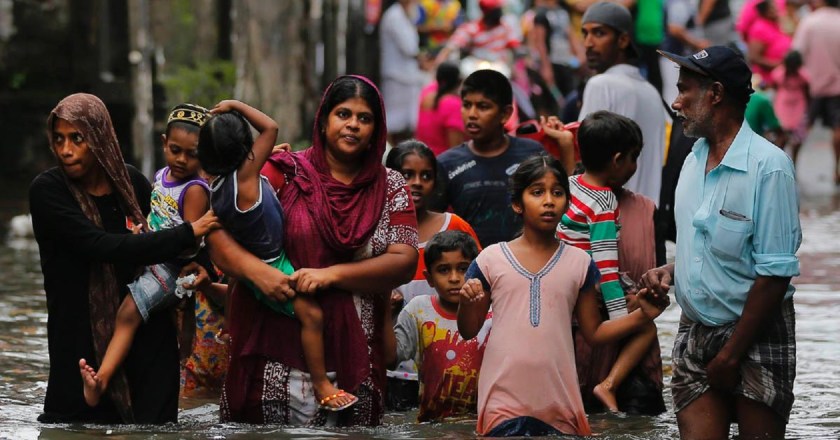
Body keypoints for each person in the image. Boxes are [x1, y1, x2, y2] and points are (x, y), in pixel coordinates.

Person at [208, 75, 418, 426]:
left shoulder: (391, 186)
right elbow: (216, 231)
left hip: (355, 352)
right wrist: (260, 273)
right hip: (271, 349)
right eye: (343, 114)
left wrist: (331, 275)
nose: (353, 125)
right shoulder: (282, 172)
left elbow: (404, 261)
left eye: (364, 118)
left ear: (376, 130)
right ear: (323, 120)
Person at [30, 93, 219, 424]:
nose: (65, 150)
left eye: (78, 139)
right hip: (81, 344)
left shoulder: (130, 182)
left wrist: (200, 265)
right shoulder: (48, 191)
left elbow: (171, 236)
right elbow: (101, 245)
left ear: (100, 138)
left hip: (149, 341)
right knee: (75, 428)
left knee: (155, 430)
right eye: (58, 139)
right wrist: (188, 233)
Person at [457, 155, 668, 436]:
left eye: (557, 193)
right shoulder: (490, 260)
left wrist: (643, 316)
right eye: (537, 192)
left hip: (558, 402)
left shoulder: (580, 263)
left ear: (567, 204)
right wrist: (466, 302)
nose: (548, 200)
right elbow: (468, 329)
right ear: (517, 204)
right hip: (502, 400)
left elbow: (594, 332)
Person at [653, 45, 801, 439]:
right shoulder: (692, 159)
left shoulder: (770, 167)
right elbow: (708, 246)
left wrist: (731, 355)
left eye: (685, 90)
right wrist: (672, 270)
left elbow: (774, 274)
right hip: (695, 328)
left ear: (715, 94)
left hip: (756, 332)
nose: (676, 101)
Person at [201, 100, 361, 411]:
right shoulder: (246, 178)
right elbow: (270, 127)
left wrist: (268, 156)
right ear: (248, 148)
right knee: (312, 315)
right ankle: (321, 384)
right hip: (274, 264)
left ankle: (228, 326)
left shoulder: (218, 186)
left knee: (237, 283)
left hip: (251, 258)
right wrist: (236, 105)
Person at [77, 103, 216, 408]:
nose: (181, 159)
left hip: (171, 268)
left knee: (127, 314)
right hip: (152, 255)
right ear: (164, 143)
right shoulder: (162, 175)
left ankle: (100, 381)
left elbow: (191, 242)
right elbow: (157, 216)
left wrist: (151, 243)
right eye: (175, 149)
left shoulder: (194, 190)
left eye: (191, 154)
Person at [556, 110, 660, 413]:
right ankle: (609, 385)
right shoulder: (604, 203)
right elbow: (606, 267)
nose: (634, 165)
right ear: (617, 160)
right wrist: (618, 320)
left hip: (566, 285)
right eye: (633, 157)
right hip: (593, 290)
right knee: (646, 328)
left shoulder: (570, 184)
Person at [383, 140, 480, 410]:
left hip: (452, 365)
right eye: (407, 175)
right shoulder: (379, 231)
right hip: (395, 367)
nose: (416, 183)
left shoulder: (455, 227)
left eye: (426, 176)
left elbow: (480, 285)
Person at [431, 69, 545, 247]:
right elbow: (432, 225)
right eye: (467, 105)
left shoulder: (531, 154)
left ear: (505, 114)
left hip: (527, 267)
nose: (472, 114)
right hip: (472, 269)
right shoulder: (447, 164)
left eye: (483, 107)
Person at [391, 230, 490, 421]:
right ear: (429, 278)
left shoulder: (493, 312)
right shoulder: (419, 310)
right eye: (444, 270)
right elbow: (392, 359)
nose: (454, 278)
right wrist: (386, 314)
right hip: (433, 421)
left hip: (482, 422)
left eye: (463, 268)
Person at [577, 2, 667, 205]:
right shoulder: (651, 91)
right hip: (647, 220)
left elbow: (584, 162)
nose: (588, 43)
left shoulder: (601, 84)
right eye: (585, 34)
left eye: (599, 33)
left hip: (607, 220)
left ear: (623, 39)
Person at [792, 0, 840, 184]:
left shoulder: (810, 22)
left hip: (813, 86)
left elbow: (797, 53)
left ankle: (791, 164)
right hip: (837, 87)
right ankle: (836, 170)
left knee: (803, 126)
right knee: (838, 128)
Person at [380, 0, 429, 146]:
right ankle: (385, 157)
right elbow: (409, 47)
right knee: (392, 122)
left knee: (407, 123)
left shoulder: (404, 14)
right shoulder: (395, 16)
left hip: (408, 77)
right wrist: (423, 61)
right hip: (397, 77)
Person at [528, 0, 584, 98]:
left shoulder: (562, 12)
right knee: (555, 98)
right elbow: (540, 42)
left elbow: (570, 35)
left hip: (565, 61)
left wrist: (580, 54)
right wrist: (546, 67)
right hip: (552, 61)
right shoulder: (541, 14)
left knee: (570, 95)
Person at [768, 50, 810, 161]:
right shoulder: (780, 74)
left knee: (796, 136)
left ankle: (791, 161)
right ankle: (780, 160)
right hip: (785, 103)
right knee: (782, 134)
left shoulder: (802, 75)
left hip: (796, 104)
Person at [415, 62, 465, 155]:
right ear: (459, 81)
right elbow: (455, 148)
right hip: (442, 162)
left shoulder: (427, 92)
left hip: (421, 156)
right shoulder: (452, 104)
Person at [745, 0, 791, 85]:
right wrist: (777, 65)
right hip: (769, 80)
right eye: (772, 9)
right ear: (764, 12)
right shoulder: (759, 29)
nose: (776, 11)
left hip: (784, 75)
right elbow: (754, 57)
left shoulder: (776, 23)